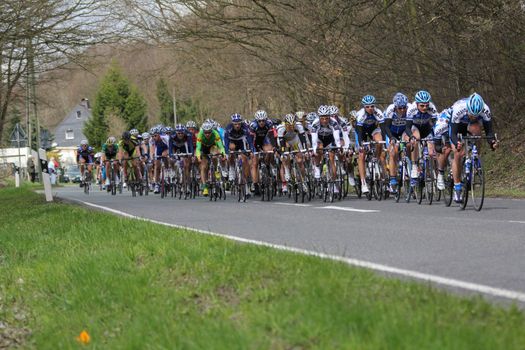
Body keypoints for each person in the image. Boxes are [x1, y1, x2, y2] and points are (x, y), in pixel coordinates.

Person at [449, 92, 498, 202]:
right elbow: (453, 134)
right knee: (458, 153)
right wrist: (457, 142)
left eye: (476, 114)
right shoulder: (459, 108)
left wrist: (492, 142)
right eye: (471, 114)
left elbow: (489, 132)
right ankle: (457, 188)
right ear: (468, 108)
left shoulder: (485, 110)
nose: (473, 116)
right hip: (458, 124)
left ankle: (475, 158)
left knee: (477, 133)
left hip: (472, 125)